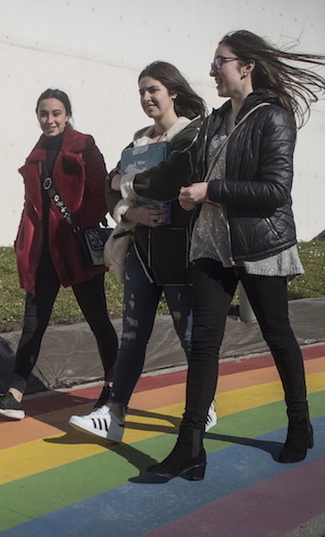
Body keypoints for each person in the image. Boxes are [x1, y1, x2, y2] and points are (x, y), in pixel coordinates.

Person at [146, 30, 325, 481]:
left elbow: (276, 191)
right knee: (203, 345)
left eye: (219, 61)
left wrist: (212, 190)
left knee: (278, 335)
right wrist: (189, 195)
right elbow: (201, 174)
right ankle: (190, 447)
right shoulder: (217, 120)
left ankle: (300, 423)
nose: (211, 70)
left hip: (261, 244)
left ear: (246, 66)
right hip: (212, 244)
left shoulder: (273, 117)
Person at [68, 61, 211, 443]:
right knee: (132, 334)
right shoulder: (136, 143)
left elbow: (168, 179)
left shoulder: (192, 135)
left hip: (181, 252)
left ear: (173, 91)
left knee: (189, 334)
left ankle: (203, 405)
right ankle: (114, 415)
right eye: (142, 92)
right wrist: (130, 210)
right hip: (140, 252)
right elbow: (107, 190)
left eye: (153, 90)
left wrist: (123, 182)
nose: (147, 98)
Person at [0, 89, 118, 420]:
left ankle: (114, 388)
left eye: (56, 113)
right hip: (45, 252)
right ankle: (14, 395)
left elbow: (100, 196)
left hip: (77, 249)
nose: (50, 119)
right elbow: (33, 205)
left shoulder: (84, 146)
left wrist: (75, 230)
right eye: (44, 113)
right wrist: (24, 241)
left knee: (98, 320)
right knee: (33, 323)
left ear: (68, 114)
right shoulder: (37, 154)